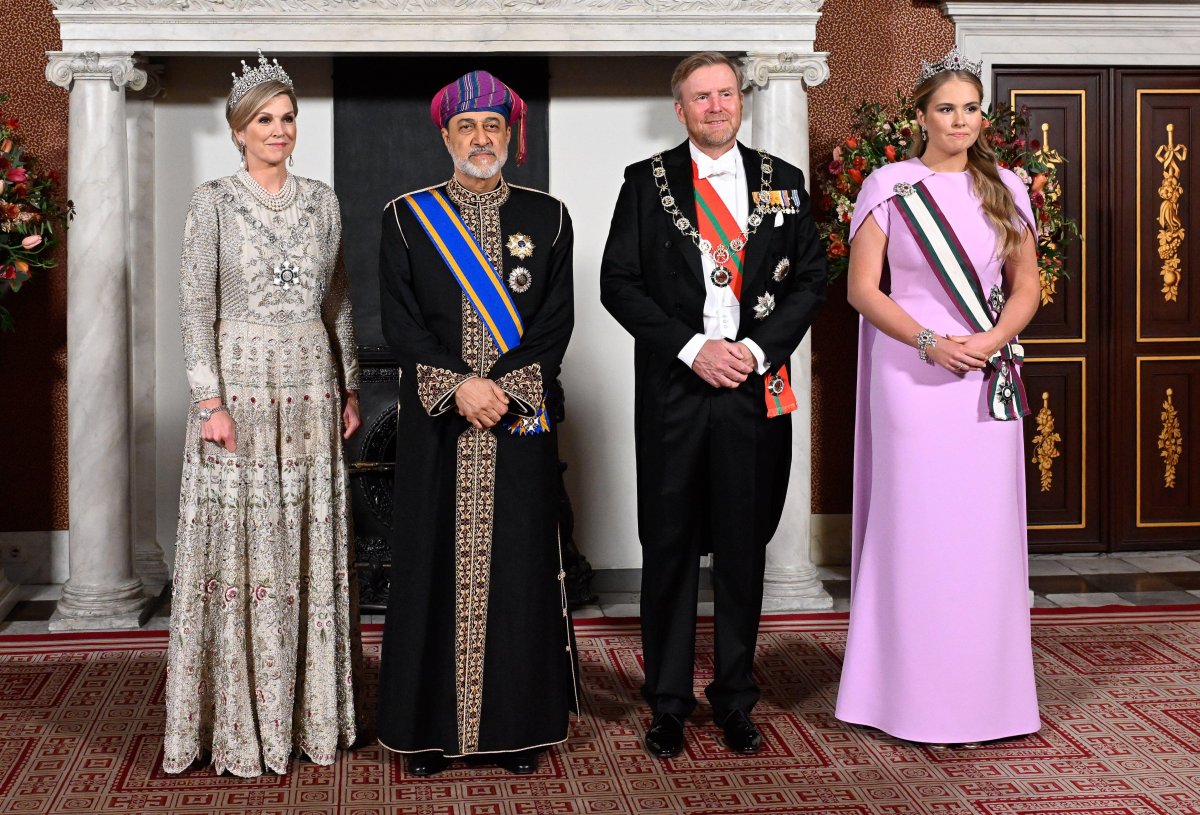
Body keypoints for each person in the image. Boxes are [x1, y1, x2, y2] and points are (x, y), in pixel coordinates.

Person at [599, 52, 827, 759]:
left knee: (741, 546)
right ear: (681, 109)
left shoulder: (783, 181)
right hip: (675, 388)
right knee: (668, 547)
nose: (717, 105)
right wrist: (693, 347)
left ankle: (734, 697)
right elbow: (618, 283)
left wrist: (755, 351)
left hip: (752, 388)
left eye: (726, 93)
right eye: (702, 96)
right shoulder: (644, 183)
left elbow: (811, 279)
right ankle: (667, 701)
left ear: (741, 101)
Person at [834, 46, 1042, 745]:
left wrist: (990, 340)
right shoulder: (889, 185)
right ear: (921, 116)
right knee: (917, 531)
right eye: (946, 108)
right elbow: (863, 289)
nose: (960, 120)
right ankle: (901, 696)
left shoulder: (1005, 187)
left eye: (971, 109)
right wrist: (929, 341)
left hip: (982, 375)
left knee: (980, 536)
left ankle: (986, 699)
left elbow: (1027, 286)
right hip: (910, 377)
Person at [163, 51, 362, 776]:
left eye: (288, 118)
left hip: (310, 389)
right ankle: (240, 722)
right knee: (244, 548)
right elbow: (195, 307)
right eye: (264, 120)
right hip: (240, 394)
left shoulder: (323, 202)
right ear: (239, 131)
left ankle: (311, 715)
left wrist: (349, 387)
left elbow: (338, 300)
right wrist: (207, 400)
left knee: (304, 544)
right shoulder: (212, 201)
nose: (279, 130)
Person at [376, 70, 577, 778]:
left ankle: (517, 731)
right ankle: (426, 733)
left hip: (518, 421)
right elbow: (400, 322)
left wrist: (503, 391)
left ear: (510, 135)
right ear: (446, 136)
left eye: (493, 125)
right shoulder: (406, 218)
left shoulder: (550, 218)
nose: (481, 138)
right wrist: (460, 387)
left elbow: (555, 323)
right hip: (439, 423)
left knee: (520, 569)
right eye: (467, 126)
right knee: (430, 565)